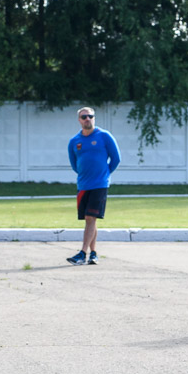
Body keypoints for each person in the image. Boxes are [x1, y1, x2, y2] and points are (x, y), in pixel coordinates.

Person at [66, 107, 120, 265]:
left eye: (90, 116)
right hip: (83, 185)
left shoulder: (104, 136)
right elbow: (74, 164)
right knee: (90, 219)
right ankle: (93, 253)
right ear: (79, 120)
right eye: (84, 117)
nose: (87, 119)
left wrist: (104, 173)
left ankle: (82, 253)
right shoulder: (74, 141)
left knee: (90, 217)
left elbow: (116, 158)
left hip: (100, 184)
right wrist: (85, 174)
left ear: (94, 118)